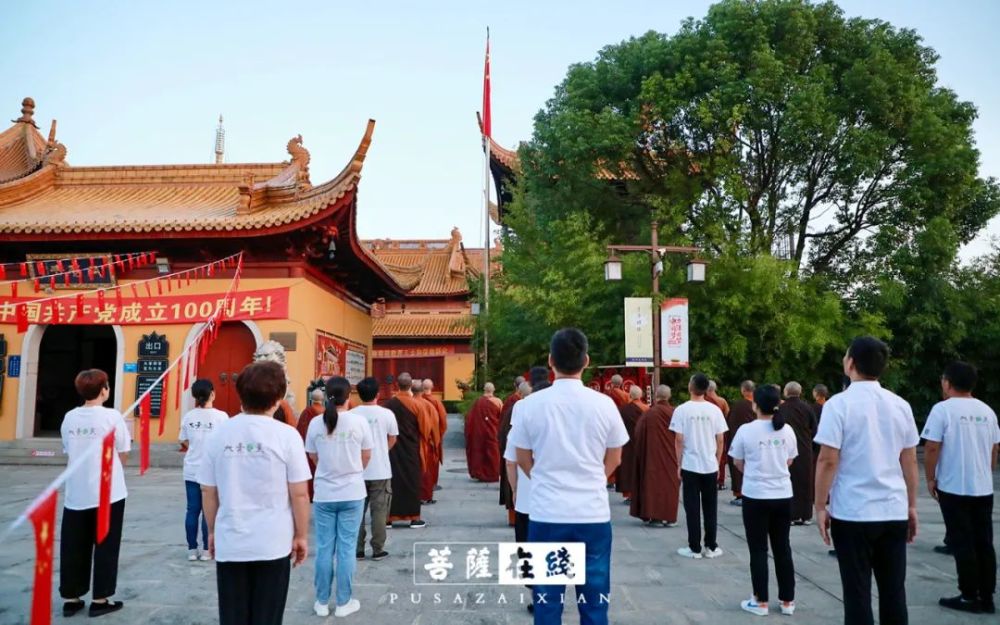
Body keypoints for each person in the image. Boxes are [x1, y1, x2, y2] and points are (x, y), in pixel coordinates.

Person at [510, 328, 628, 625]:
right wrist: (595, 480)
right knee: (595, 602)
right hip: (592, 514)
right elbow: (615, 456)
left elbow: (522, 457)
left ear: (551, 361)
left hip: (547, 513)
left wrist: (542, 479)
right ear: (586, 361)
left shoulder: (529, 406)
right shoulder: (604, 405)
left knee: (547, 602)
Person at [814, 336, 920, 625]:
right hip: (892, 509)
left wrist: (820, 505)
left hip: (853, 512)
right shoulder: (900, 405)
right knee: (893, 591)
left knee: (857, 593)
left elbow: (827, 459)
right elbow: (909, 460)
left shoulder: (838, 405)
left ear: (851, 363)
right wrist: (911, 505)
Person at [199, 360, 312, 625]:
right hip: (273, 541)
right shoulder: (287, 436)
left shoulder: (220, 433)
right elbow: (299, 494)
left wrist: (213, 530)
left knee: (233, 616)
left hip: (232, 540)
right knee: (268, 617)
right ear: (278, 397)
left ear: (241, 393)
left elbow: (208, 489)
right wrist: (301, 535)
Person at [922, 361, 1000, 613]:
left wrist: (930, 478)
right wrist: (985, 472)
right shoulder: (987, 411)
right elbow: (994, 449)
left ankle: (968, 595)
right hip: (982, 487)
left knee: (963, 542)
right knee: (984, 543)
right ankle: (986, 596)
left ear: (947, 382)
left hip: (954, 486)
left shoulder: (942, 410)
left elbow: (932, 447)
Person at [59, 369, 130, 617]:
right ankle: (100, 600)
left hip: (77, 492)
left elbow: (68, 449)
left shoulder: (70, 417)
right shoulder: (112, 417)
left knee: (73, 545)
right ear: (104, 390)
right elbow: (123, 451)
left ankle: (71, 597)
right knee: (106, 546)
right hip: (108, 494)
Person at [305, 376, 373, 618]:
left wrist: (329, 468)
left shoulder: (315, 423)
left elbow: (313, 457)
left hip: (324, 493)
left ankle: (322, 601)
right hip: (352, 492)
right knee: (345, 549)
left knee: (324, 548)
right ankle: (344, 602)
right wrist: (352, 471)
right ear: (348, 395)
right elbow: (366, 455)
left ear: (325, 395)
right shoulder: (358, 422)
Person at [729, 384, 798, 616]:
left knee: (758, 549)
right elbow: (790, 460)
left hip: (756, 495)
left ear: (755, 404)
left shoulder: (746, 431)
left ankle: (760, 601)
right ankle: (788, 601)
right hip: (782, 495)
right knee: (782, 548)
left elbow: (737, 461)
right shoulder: (786, 430)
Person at [671, 373, 728, 559]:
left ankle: (694, 547)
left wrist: (679, 463)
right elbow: (720, 440)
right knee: (710, 508)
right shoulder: (715, 410)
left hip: (690, 464)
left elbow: (679, 439)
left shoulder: (681, 410)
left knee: (692, 508)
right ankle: (711, 546)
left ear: (691, 387)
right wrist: (718, 461)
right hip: (710, 465)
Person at [179, 379, 228, 562]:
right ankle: (208, 549)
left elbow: (183, 441)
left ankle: (192, 549)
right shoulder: (221, 417)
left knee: (192, 509)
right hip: (213, 470)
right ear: (212, 394)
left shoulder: (189, 417)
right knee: (211, 509)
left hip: (191, 468)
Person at [353, 377, 398, 561]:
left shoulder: (352, 414)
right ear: (378, 394)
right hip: (380, 469)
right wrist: (380, 450)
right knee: (379, 511)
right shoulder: (387, 414)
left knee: (357, 510)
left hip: (357, 469)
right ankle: (378, 549)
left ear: (359, 394)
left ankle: (358, 549)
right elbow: (393, 437)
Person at [503, 381, 534, 614]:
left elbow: (511, 462)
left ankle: (538, 593)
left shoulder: (519, 428)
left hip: (526, 499)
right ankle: (555, 595)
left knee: (529, 546)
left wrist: (514, 490)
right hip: (560, 503)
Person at [630, 385, 679, 527]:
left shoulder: (649, 413)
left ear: (656, 396)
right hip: (672, 456)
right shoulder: (675, 413)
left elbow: (638, 433)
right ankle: (670, 518)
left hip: (652, 456)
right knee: (670, 485)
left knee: (654, 484)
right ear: (668, 396)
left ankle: (656, 518)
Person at [383, 373, 426, 528]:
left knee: (392, 483)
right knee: (412, 481)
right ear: (410, 387)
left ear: (397, 386)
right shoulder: (417, 405)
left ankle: (388, 518)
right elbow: (425, 429)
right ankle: (414, 517)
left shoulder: (388, 405)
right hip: (411, 450)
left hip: (392, 450)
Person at [777, 382, 816, 525]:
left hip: (785, 450)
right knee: (805, 481)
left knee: (790, 480)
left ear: (786, 393)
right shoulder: (807, 408)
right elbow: (814, 429)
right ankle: (806, 515)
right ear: (800, 392)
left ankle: (792, 515)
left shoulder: (780, 409)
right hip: (805, 449)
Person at [498, 379, 527, 526]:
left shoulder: (516, 405)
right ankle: (513, 518)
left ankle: (515, 518)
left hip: (514, 454)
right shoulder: (515, 404)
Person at [411, 379, 441, 505]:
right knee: (426, 470)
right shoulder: (431, 404)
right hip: (426, 443)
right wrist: (435, 441)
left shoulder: (403, 404)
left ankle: (411, 496)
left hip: (408, 444)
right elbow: (440, 423)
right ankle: (425, 495)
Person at [616, 386, 647, 503]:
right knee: (640, 467)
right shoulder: (646, 409)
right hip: (642, 443)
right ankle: (641, 493)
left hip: (627, 442)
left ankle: (629, 495)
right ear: (641, 396)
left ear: (629, 395)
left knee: (628, 468)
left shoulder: (623, 410)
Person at [465, 383, 502, 482]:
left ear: (484, 390)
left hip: (478, 433)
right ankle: (493, 474)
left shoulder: (478, 402)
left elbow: (469, 419)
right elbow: (501, 418)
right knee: (493, 453)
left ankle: (480, 473)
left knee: (479, 452)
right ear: (493, 390)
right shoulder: (497, 402)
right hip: (493, 432)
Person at [727, 381, 756, 505]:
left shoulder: (737, 406)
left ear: (743, 390)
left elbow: (729, 423)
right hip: (754, 441)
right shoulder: (757, 406)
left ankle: (739, 494)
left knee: (737, 466)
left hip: (737, 440)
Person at [296, 388, 326, 502]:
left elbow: (301, 430)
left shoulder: (307, 412)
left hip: (309, 448)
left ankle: (310, 494)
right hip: (322, 446)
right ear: (323, 399)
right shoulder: (326, 412)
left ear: (311, 398)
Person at [420, 379, 449, 494]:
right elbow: (443, 421)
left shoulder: (417, 401)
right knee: (431, 464)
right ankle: (430, 485)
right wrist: (438, 435)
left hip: (421, 438)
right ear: (432, 387)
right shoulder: (436, 402)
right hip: (433, 439)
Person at [707, 381, 731, 490]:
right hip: (720, 431)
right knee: (720, 456)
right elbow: (727, 415)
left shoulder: (705, 402)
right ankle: (720, 481)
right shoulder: (722, 401)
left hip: (707, 430)